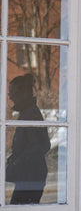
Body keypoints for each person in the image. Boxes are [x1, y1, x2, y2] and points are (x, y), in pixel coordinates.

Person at [6, 74, 50, 204]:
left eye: (12, 93)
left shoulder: (31, 114)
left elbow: (41, 146)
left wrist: (16, 162)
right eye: (9, 93)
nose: (10, 97)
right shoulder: (27, 113)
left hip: (31, 177)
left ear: (22, 93)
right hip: (29, 176)